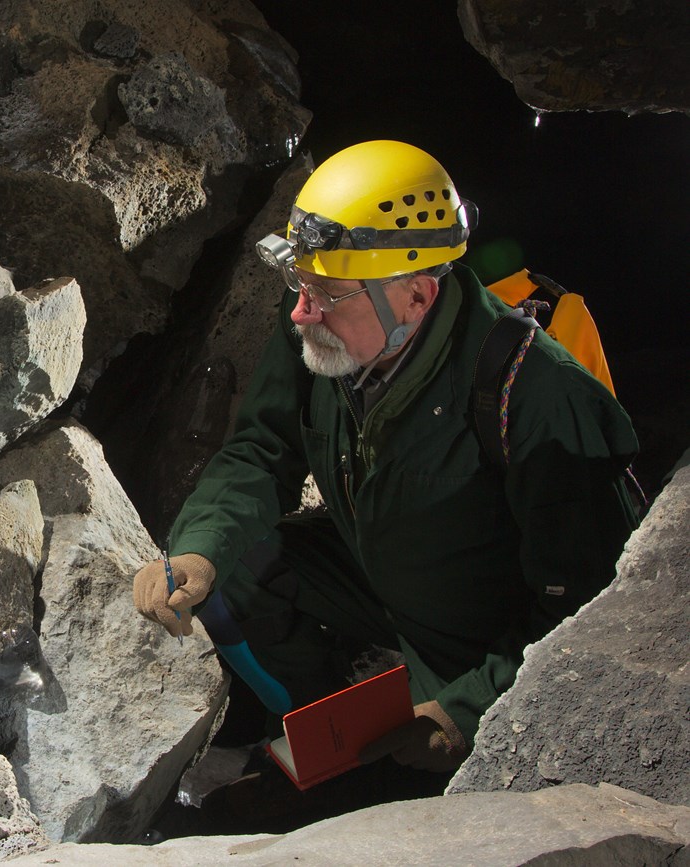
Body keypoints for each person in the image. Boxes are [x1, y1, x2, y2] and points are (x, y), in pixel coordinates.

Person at [132, 140, 639, 772]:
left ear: (418, 297)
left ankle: (403, 735)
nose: (300, 309)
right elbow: (262, 452)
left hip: (480, 641)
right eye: (298, 281)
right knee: (236, 571)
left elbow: (585, 605)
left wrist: (466, 711)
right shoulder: (324, 336)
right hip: (383, 573)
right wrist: (198, 549)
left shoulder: (541, 400)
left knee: (446, 775)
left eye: (327, 292)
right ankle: (315, 747)